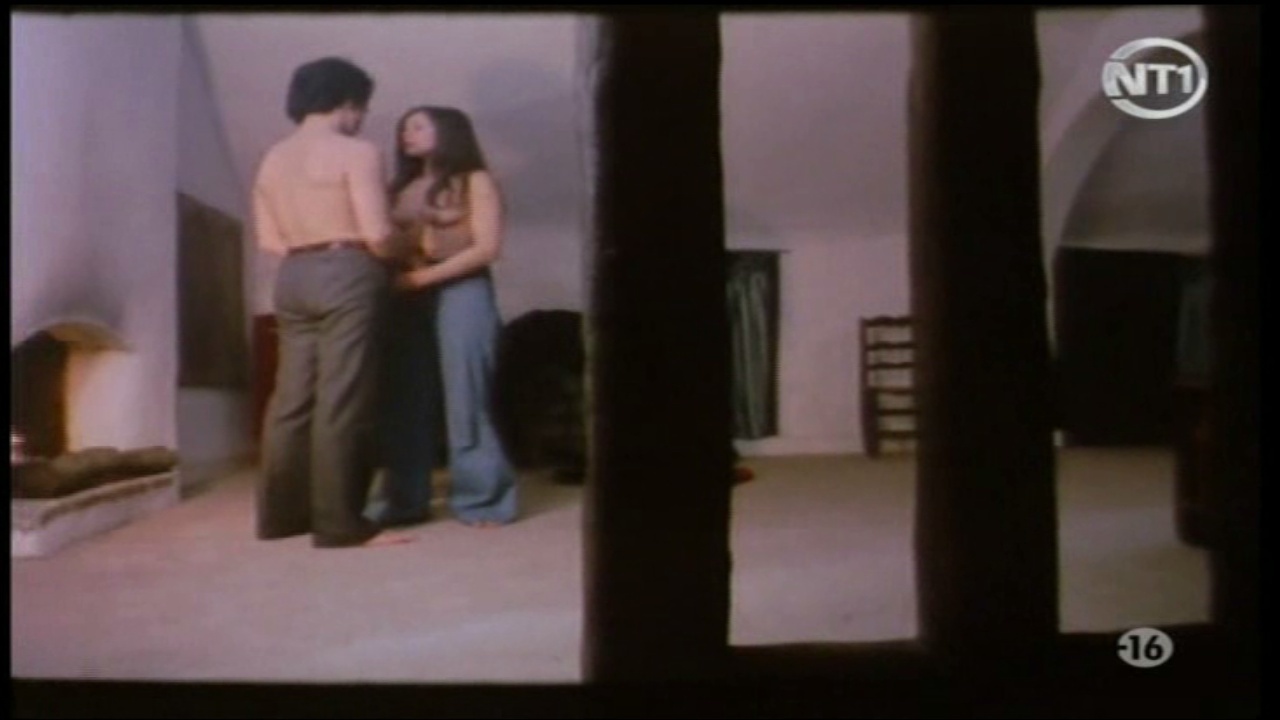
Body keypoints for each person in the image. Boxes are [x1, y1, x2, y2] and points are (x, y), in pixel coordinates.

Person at [252, 56, 413, 548]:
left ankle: (281, 518)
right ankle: (340, 523)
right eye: (362, 107)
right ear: (348, 102)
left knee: (291, 399)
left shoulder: (272, 158)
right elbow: (378, 233)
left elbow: (270, 240)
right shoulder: (356, 152)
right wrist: (407, 244)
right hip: (347, 269)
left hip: (293, 274)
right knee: (343, 397)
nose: (362, 117)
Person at [382, 105, 519, 528]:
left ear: (448, 131)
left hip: (463, 289)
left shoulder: (476, 180)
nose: (407, 133)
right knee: (405, 397)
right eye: (405, 127)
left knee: (467, 394)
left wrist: (423, 278)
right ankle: (404, 501)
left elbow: (487, 247)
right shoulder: (400, 187)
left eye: (419, 126)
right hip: (406, 295)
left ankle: (482, 499)